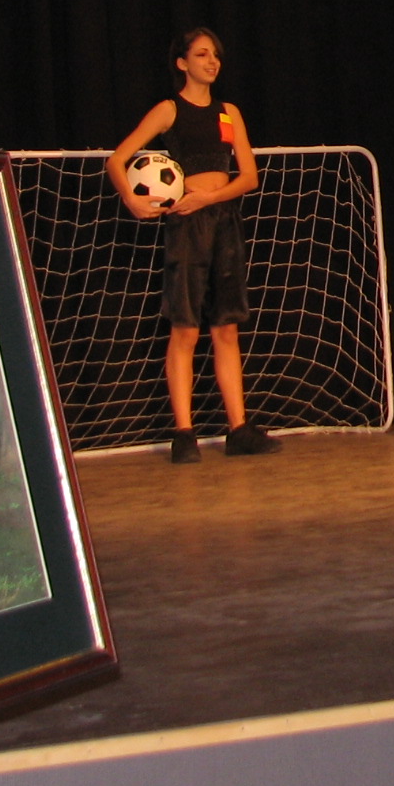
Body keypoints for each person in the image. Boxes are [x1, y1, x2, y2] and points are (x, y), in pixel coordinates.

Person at [108, 28, 275, 461]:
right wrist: (132, 200)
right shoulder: (169, 110)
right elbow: (117, 160)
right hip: (187, 226)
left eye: (215, 54)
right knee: (185, 327)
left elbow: (249, 177)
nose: (211, 61)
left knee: (227, 326)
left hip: (223, 221)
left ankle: (238, 428)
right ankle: (184, 433)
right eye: (202, 54)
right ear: (182, 63)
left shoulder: (229, 112)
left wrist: (211, 198)